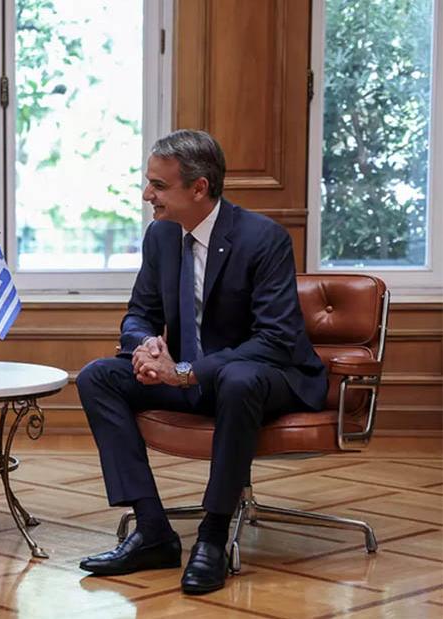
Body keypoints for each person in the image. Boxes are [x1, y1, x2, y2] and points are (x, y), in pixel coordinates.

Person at [76, 130, 327, 594]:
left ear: (199, 188)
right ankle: (152, 531)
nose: (147, 194)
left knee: (237, 379)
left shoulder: (263, 238)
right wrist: (147, 346)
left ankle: (212, 537)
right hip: (188, 376)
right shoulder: (161, 236)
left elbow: (273, 340)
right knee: (98, 377)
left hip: (265, 377)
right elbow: (139, 312)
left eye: (158, 185)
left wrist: (186, 372)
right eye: (148, 182)